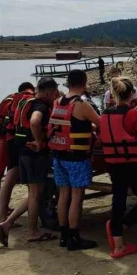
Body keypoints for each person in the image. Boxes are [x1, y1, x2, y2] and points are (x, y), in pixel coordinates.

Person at [0, 78, 60, 246]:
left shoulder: (25, 101)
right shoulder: (39, 105)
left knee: (34, 192)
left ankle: (6, 223)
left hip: (22, 152)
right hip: (35, 155)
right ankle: (32, 231)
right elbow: (34, 121)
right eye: (54, 93)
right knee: (36, 194)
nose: (55, 97)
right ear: (48, 92)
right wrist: (40, 141)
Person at [101, 77, 137, 259]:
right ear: (132, 94)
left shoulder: (105, 115)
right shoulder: (133, 114)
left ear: (113, 94)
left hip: (113, 165)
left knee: (119, 200)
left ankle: (118, 243)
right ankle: (122, 226)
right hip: (133, 164)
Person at [48, 70, 100, 251]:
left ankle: (64, 236)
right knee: (77, 197)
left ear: (68, 83)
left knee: (63, 195)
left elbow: (69, 123)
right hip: (77, 158)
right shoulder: (82, 104)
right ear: (84, 83)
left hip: (58, 155)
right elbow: (101, 123)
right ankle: (74, 237)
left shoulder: (57, 102)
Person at [0, 82, 35, 223]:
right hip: (24, 142)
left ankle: (1, 214)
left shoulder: (13, 99)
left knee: (9, 178)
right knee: (32, 185)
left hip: (10, 139)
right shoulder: (31, 99)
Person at [0, 91, 17, 216]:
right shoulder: (14, 102)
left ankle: (0, 206)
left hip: (6, 140)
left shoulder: (13, 99)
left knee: (5, 173)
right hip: (1, 140)